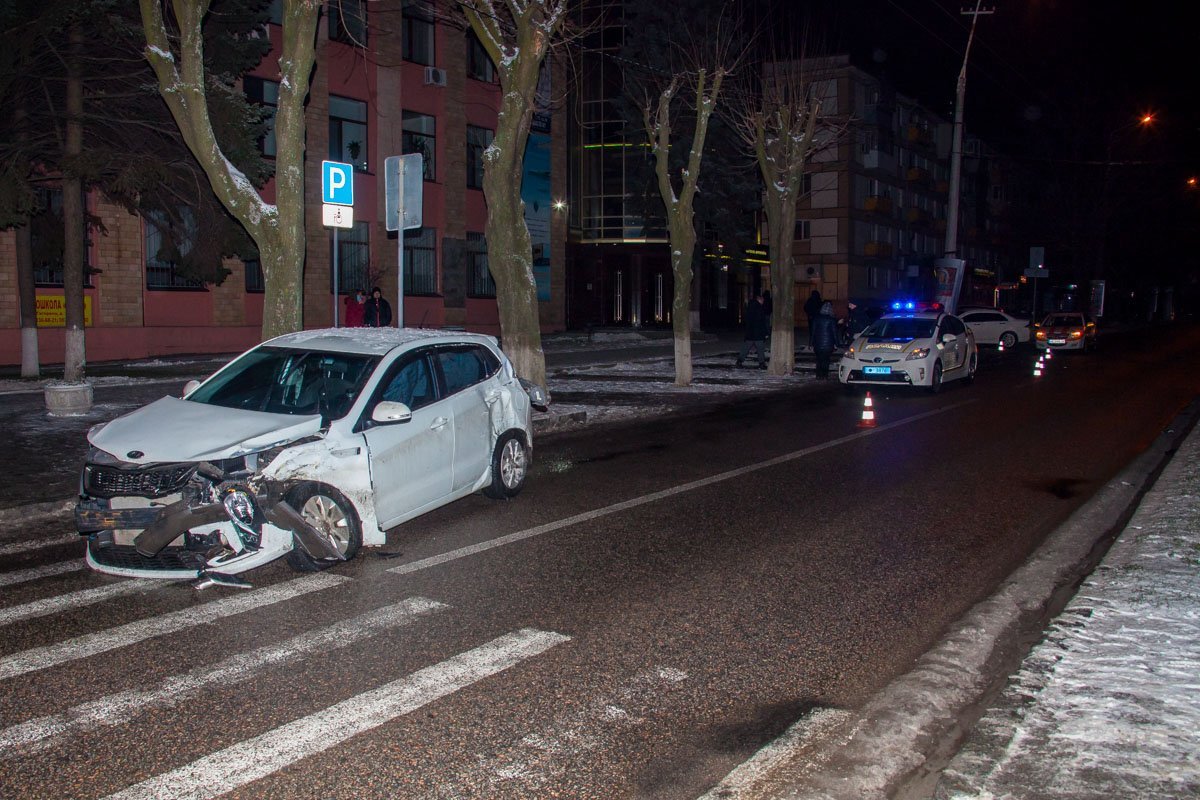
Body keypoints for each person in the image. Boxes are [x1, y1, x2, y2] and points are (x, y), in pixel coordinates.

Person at [736, 291, 770, 369]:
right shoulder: (759, 308)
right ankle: (761, 363)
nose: (763, 302)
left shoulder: (750, 307)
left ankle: (739, 361)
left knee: (746, 347)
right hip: (758, 333)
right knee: (760, 348)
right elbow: (761, 322)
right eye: (762, 300)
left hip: (750, 332)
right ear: (760, 299)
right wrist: (765, 332)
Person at [811, 300, 838, 378]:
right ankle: (824, 375)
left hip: (818, 343)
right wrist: (837, 343)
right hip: (828, 344)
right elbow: (834, 333)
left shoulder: (816, 318)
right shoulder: (831, 319)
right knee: (826, 360)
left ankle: (818, 375)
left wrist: (811, 343)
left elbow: (813, 332)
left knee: (819, 360)